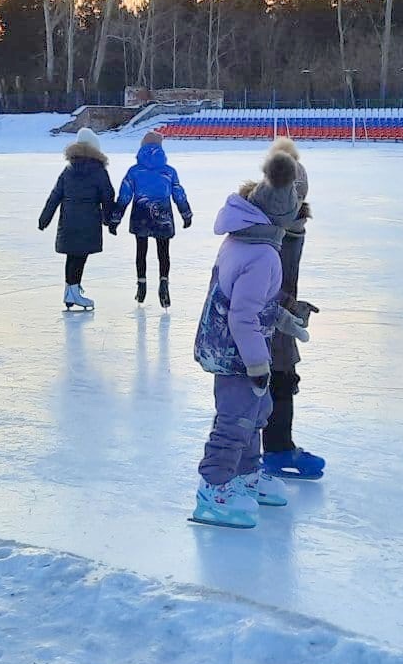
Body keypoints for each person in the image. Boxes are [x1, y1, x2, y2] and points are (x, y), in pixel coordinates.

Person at [190, 150, 313, 528]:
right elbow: (242, 315)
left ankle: (245, 476)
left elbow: (254, 301)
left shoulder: (245, 240)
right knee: (235, 420)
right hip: (236, 354)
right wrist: (259, 365)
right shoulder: (263, 255)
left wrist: (285, 318)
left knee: (254, 415)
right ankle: (212, 489)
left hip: (234, 347)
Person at [261, 137, 326, 480]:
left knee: (279, 379)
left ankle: (275, 446)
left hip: (276, 319)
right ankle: (275, 450)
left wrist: (292, 303)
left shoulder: (292, 227)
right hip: (264, 323)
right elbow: (262, 287)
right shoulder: (272, 230)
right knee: (276, 379)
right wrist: (287, 306)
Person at [108, 130, 192, 307]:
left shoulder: (134, 172)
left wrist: (116, 218)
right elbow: (179, 194)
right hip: (163, 216)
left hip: (141, 215)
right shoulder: (169, 172)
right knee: (163, 252)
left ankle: (141, 285)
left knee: (141, 251)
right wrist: (186, 213)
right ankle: (163, 283)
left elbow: (124, 196)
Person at [39, 127, 115, 311]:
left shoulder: (68, 170)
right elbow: (108, 195)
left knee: (72, 255)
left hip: (69, 221)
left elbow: (55, 195)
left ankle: (70, 290)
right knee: (80, 256)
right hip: (88, 222)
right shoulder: (98, 171)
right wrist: (109, 220)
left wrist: (44, 219)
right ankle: (72, 290)